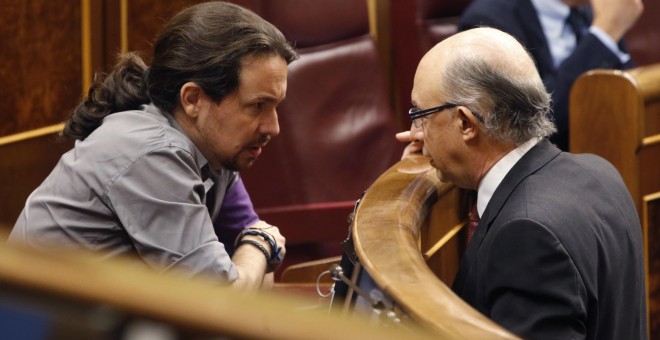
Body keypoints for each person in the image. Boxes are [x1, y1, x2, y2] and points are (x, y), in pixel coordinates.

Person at [8, 1, 298, 290]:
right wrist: (261, 245)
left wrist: (254, 250)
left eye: (275, 107)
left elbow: (255, 274)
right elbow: (224, 299)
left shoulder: (215, 147)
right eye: (257, 106)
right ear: (193, 99)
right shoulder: (152, 154)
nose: (273, 127)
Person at [408, 27, 646, 339]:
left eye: (420, 115)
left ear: (466, 123)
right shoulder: (599, 172)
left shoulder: (526, 235)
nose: (414, 133)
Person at [458, 0, 643, 151]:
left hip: (605, 152)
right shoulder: (489, 21)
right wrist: (605, 33)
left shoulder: (591, 10)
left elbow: (628, 96)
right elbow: (527, 123)